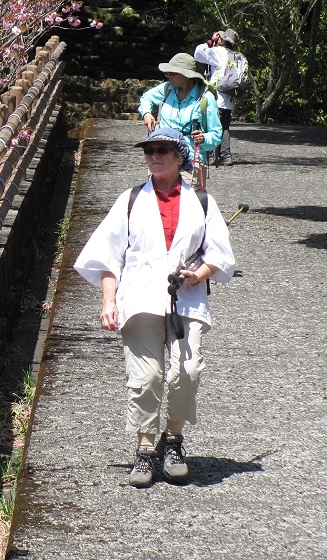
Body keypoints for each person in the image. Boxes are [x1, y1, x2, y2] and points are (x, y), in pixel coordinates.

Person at [73, 127, 235, 488]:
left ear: (180, 157)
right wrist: (107, 300)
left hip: (186, 300)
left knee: (187, 372)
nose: (154, 155)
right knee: (146, 378)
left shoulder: (202, 202)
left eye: (162, 149)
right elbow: (106, 257)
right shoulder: (130, 200)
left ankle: (173, 440)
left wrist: (199, 273)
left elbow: (220, 256)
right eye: (149, 150)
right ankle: (145, 449)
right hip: (140, 297)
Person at [138, 53, 222, 170]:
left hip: (190, 162)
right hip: (161, 158)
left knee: (186, 189)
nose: (168, 76)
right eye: (167, 73)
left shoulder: (206, 98)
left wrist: (203, 138)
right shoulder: (167, 88)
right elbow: (146, 97)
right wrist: (147, 113)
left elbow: (216, 135)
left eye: (172, 73)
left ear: (186, 75)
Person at [195, 29, 240, 166]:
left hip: (217, 95)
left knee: (210, 124)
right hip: (230, 97)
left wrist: (210, 41)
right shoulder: (236, 56)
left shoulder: (219, 52)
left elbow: (198, 53)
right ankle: (225, 156)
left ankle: (210, 156)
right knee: (224, 126)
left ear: (223, 40)